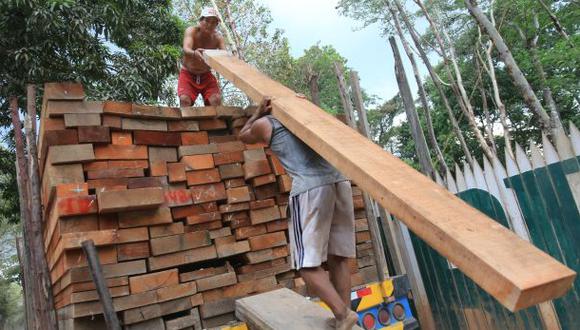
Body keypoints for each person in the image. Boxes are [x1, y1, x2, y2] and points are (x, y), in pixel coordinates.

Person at [238, 98, 359, 330]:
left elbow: (243, 134)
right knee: (338, 258)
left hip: (310, 189)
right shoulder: (314, 119)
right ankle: (344, 319)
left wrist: (256, 114)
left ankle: (343, 315)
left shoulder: (266, 123)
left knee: (306, 265)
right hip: (340, 182)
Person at [179, 7, 225, 107]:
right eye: (207, 21)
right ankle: (187, 122)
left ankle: (212, 122)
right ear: (200, 21)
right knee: (184, 100)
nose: (209, 24)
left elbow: (224, 55)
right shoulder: (191, 31)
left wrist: (229, 58)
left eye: (213, 22)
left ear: (217, 25)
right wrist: (194, 53)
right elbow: (186, 48)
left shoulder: (218, 38)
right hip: (188, 73)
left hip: (206, 75)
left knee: (216, 100)